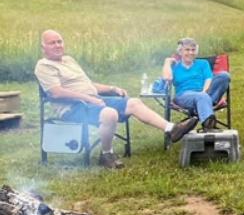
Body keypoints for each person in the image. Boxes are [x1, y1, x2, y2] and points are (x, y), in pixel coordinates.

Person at [34, 29, 197, 169]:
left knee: (134, 102)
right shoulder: (44, 66)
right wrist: (89, 99)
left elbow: (88, 85)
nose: (57, 45)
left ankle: (171, 129)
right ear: (43, 48)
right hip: (73, 108)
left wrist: (111, 88)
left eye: (59, 41)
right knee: (109, 113)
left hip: (92, 100)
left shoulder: (69, 60)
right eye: (52, 43)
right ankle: (106, 154)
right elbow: (56, 92)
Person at [161, 37, 231, 131]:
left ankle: (201, 109)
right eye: (187, 50)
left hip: (205, 93)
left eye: (193, 50)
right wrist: (167, 62)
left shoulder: (203, 63)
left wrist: (203, 92)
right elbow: (166, 78)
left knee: (224, 76)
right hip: (184, 96)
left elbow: (208, 79)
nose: (190, 53)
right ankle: (208, 125)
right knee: (201, 97)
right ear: (180, 51)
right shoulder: (175, 66)